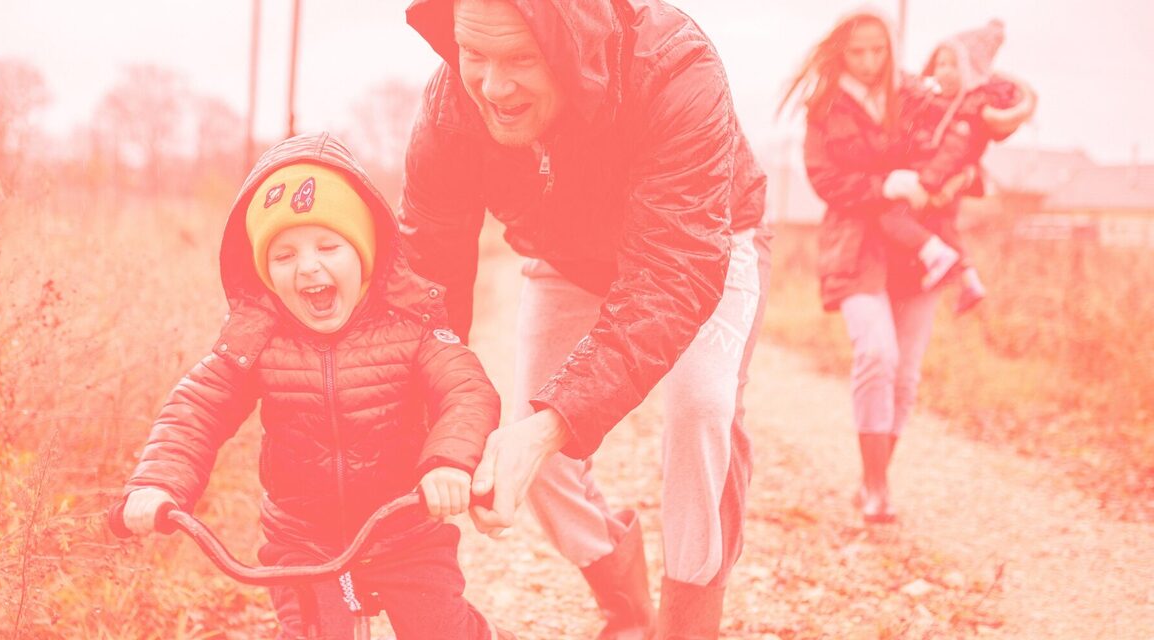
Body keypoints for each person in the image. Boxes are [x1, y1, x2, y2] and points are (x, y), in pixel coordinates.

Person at [399, 0, 769, 636]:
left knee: (699, 408)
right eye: (475, 55)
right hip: (566, 257)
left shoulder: (678, 68)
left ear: (570, 44)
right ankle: (625, 603)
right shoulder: (451, 109)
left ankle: (688, 623)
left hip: (704, 242)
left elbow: (672, 272)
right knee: (529, 445)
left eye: (520, 59)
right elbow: (427, 279)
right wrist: (426, 422)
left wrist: (553, 424)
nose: (493, 86)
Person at [117, 132, 514, 639]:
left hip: (405, 529)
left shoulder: (410, 324)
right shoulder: (256, 337)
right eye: (283, 257)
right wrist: (157, 482)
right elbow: (197, 409)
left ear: (365, 254)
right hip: (302, 540)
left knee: (439, 630)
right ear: (265, 273)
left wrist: (448, 463)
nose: (308, 266)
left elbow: (467, 389)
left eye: (329, 246)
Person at [782, 10, 1032, 523]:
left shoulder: (915, 93)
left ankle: (875, 480)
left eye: (879, 50)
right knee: (876, 354)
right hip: (856, 244)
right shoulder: (824, 107)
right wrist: (886, 187)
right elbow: (825, 181)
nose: (870, 61)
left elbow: (973, 119)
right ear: (841, 52)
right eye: (858, 51)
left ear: (891, 49)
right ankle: (875, 485)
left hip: (920, 246)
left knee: (906, 374)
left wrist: (1011, 107)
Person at [877, 19, 1036, 313]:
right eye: (940, 64)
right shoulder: (937, 105)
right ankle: (970, 280)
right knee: (947, 230)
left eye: (953, 65)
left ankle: (938, 258)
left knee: (893, 219)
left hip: (934, 184)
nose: (944, 72)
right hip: (942, 187)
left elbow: (953, 152)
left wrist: (929, 182)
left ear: (969, 72)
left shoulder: (964, 113)